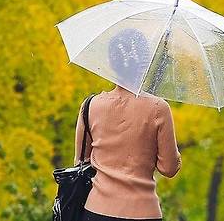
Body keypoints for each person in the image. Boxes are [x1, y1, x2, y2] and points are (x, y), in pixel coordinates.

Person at [74, 83, 182, 221]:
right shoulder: (159, 108)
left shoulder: (90, 105)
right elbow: (169, 169)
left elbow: (81, 161)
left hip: (96, 209)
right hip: (144, 211)